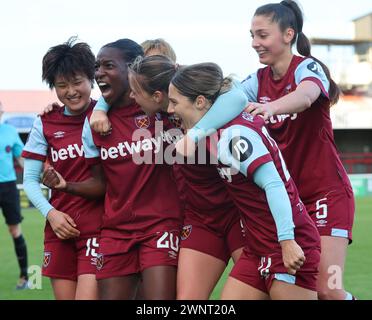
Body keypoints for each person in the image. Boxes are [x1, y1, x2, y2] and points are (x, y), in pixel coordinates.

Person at [177, 0, 356, 300]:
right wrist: (196, 132)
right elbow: (229, 99)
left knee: (328, 290)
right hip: (289, 200)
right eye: (251, 35)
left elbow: (306, 95)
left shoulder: (307, 67)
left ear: (288, 35)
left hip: (326, 195)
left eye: (262, 35)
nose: (254, 43)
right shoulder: (256, 81)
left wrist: (270, 108)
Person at [89, 54, 246, 299]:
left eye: (135, 92)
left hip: (236, 211)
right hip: (200, 218)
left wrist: (194, 135)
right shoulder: (156, 112)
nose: (131, 97)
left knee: (264, 287)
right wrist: (100, 107)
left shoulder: (197, 101)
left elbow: (238, 95)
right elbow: (122, 87)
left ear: (157, 96)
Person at [168, 62, 321, 300]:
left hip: (286, 243)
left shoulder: (233, 136)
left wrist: (288, 241)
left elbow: (273, 184)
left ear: (200, 102)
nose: (170, 110)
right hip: (257, 246)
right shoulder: (217, 128)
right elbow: (234, 93)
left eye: (175, 102)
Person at [44, 39, 183, 300]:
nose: (98, 73)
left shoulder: (160, 108)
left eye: (108, 65)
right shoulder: (93, 125)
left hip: (160, 226)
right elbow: (101, 184)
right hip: (115, 232)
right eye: (97, 67)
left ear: (132, 69)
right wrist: (66, 186)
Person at [22, 38, 104, 300]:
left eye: (77, 81)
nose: (71, 91)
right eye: (61, 85)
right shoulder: (44, 123)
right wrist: (52, 214)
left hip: (100, 228)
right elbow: (31, 180)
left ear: (91, 79)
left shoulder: (105, 115)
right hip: (59, 228)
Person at [0, 101, 29, 290]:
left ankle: (25, 277)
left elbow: (21, 158)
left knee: (14, 230)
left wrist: (34, 178)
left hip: (8, 187)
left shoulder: (10, 132)